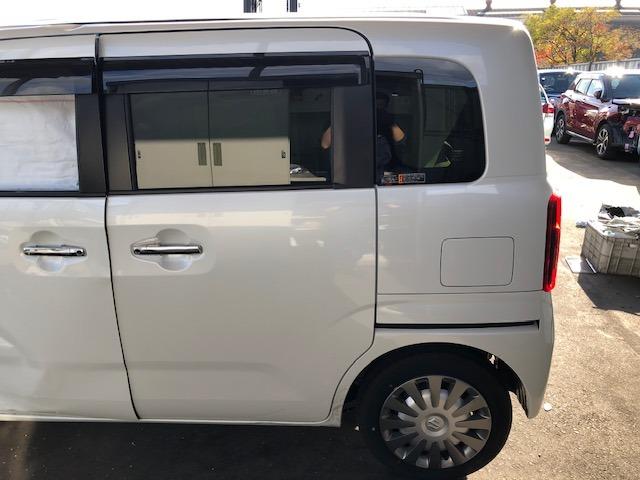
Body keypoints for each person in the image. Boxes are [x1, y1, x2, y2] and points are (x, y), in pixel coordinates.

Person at [320, 92, 407, 180]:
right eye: (373, 106)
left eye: (380, 107)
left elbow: (400, 140)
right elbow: (325, 144)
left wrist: (387, 120)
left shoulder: (387, 122)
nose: (375, 109)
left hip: (377, 177)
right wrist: (342, 117)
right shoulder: (341, 120)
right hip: (345, 176)